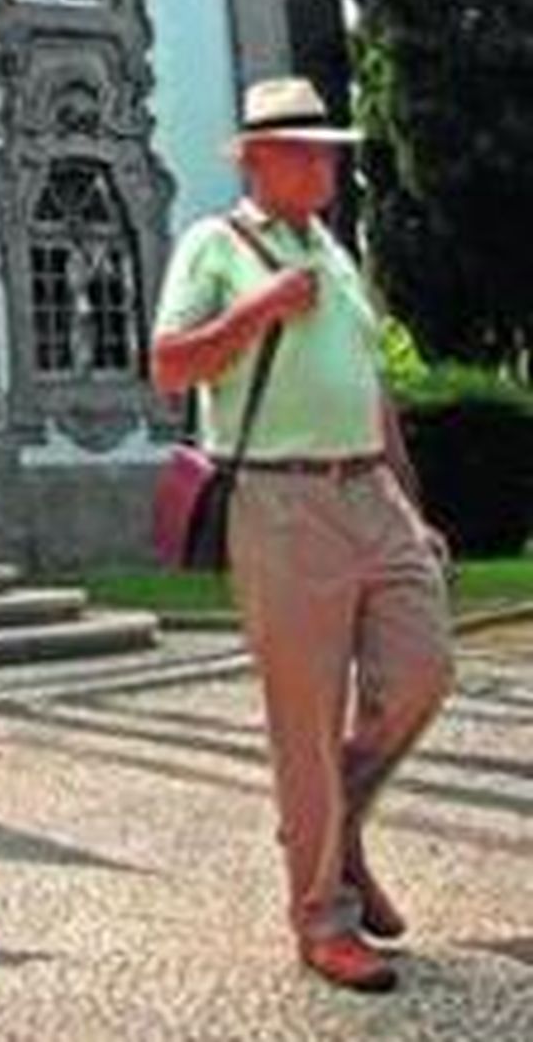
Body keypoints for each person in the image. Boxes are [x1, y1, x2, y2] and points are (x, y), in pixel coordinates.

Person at [150, 75, 453, 996]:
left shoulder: (336, 251)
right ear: (260, 160)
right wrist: (258, 312)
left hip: (369, 493)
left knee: (424, 671)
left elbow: (370, 387)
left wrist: (411, 504)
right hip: (280, 506)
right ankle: (323, 916)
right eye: (311, 149)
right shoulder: (215, 244)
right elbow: (168, 366)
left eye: (330, 148)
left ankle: (338, 821)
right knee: (306, 720)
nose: (328, 163)